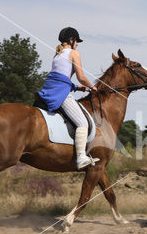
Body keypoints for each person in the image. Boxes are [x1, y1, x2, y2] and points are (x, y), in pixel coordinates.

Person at [37, 27, 100, 169]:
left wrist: (77, 88)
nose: (77, 45)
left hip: (49, 90)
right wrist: (92, 87)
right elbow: (81, 77)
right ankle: (81, 157)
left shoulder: (57, 55)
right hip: (61, 94)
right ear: (71, 40)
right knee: (83, 123)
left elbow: (60, 78)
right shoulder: (74, 53)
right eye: (77, 41)